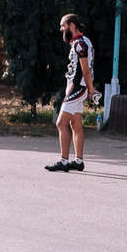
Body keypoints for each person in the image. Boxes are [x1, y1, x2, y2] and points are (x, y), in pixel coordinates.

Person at [45, 13, 97, 172]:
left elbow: (85, 70)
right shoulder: (83, 41)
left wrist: (90, 89)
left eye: (63, 26)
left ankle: (64, 161)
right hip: (76, 86)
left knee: (60, 123)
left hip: (78, 87)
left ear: (72, 26)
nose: (61, 29)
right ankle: (79, 161)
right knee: (75, 124)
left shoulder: (79, 44)